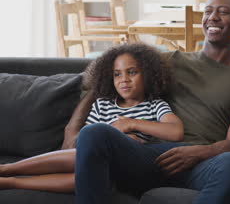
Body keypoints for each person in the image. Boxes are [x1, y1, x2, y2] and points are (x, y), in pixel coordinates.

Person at [64, 0, 230, 204]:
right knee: (95, 133)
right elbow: (100, 84)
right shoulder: (171, 61)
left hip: (201, 162)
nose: (213, 17)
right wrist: (72, 131)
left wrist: (199, 153)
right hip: (148, 156)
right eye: (208, 11)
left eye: (223, 12)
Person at [0, 43, 183, 193]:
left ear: (149, 75)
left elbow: (175, 132)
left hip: (123, 165)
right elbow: (83, 141)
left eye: (132, 72)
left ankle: (13, 180)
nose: (124, 79)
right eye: (117, 74)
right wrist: (111, 137)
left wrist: (131, 124)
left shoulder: (154, 105)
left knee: (89, 173)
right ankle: (8, 172)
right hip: (94, 157)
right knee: (85, 163)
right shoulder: (103, 104)